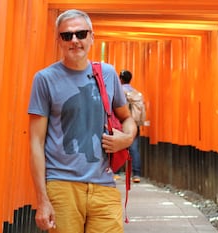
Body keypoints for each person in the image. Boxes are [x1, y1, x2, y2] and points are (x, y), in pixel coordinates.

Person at [27, 9, 137, 233]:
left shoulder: (107, 73)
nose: (74, 40)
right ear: (58, 40)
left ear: (92, 37)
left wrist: (126, 138)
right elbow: (36, 143)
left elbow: (127, 118)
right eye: (67, 36)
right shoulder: (45, 79)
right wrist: (42, 200)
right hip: (62, 185)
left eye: (81, 34)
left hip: (104, 186)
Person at [119, 70, 145, 183]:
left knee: (118, 146)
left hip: (123, 123)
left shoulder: (120, 91)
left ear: (120, 79)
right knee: (134, 149)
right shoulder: (136, 93)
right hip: (134, 123)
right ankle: (136, 174)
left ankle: (115, 171)